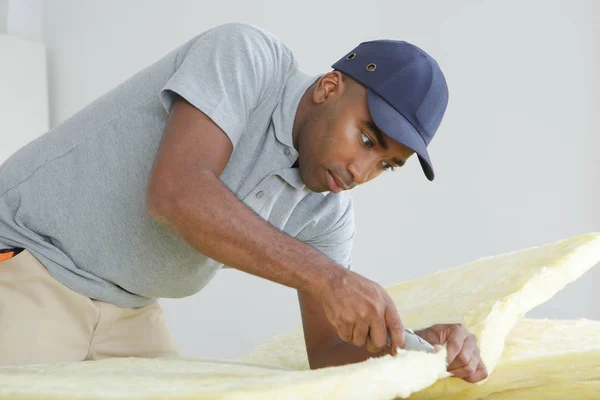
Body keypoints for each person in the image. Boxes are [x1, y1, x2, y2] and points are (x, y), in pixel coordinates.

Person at [0, 22, 487, 382]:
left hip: (129, 310)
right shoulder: (246, 58)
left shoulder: (326, 210)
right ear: (328, 88)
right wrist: (327, 277)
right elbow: (177, 195)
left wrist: (416, 347)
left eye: (386, 165)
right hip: (32, 259)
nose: (362, 172)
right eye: (366, 139)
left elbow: (327, 351)